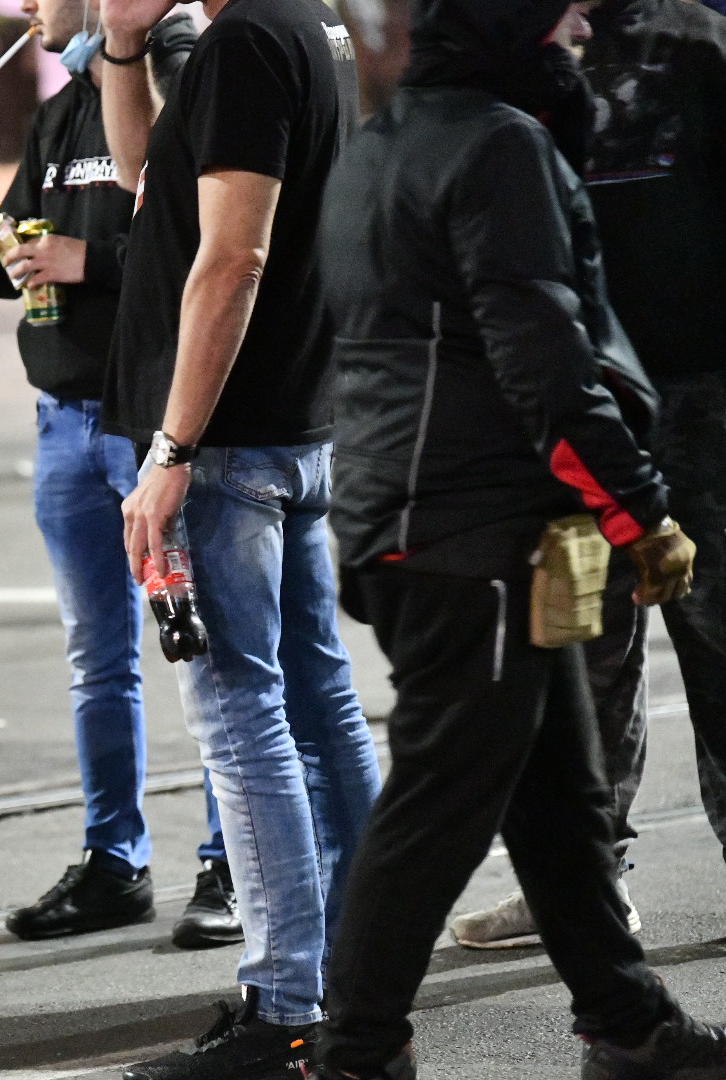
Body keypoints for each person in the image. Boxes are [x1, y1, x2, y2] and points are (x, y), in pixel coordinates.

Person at [311, 0, 726, 1076]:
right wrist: (639, 510)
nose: (582, 33)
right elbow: (541, 353)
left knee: (557, 790)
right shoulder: (501, 145)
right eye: (560, 19)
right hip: (471, 529)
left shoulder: (388, 139)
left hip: (416, 513)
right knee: (440, 800)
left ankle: (628, 1022)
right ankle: (355, 1049)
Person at [96, 0, 382, 1071]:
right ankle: (358, 971)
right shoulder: (312, 24)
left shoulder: (249, 41)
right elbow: (147, 187)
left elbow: (232, 259)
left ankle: (285, 1008)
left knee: (241, 715)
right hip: (294, 427)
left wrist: (172, 450)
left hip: (228, 447)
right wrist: (124, 44)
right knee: (319, 698)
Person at [0, 0, 238, 950]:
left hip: (149, 420)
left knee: (207, 651)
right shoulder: (65, 104)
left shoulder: (181, 71)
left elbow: (205, 241)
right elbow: (28, 237)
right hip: (65, 419)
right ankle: (114, 858)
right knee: (95, 658)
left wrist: (89, 260)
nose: (27, 10)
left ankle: (230, 861)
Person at [450, 0, 726, 951]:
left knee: (715, 636)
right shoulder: (517, 43)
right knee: (576, 649)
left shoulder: (698, 41)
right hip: (575, 405)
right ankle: (582, 883)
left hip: (700, 396)